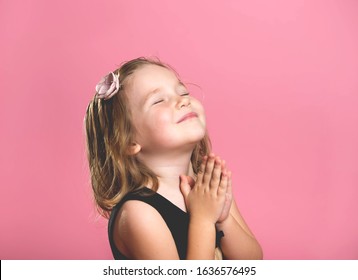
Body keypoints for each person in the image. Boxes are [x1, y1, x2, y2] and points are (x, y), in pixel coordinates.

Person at [84, 57, 263, 260]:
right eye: (159, 100)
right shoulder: (138, 214)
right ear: (128, 142)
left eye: (183, 92)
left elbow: (253, 261)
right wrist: (203, 219)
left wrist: (223, 220)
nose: (183, 100)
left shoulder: (207, 185)